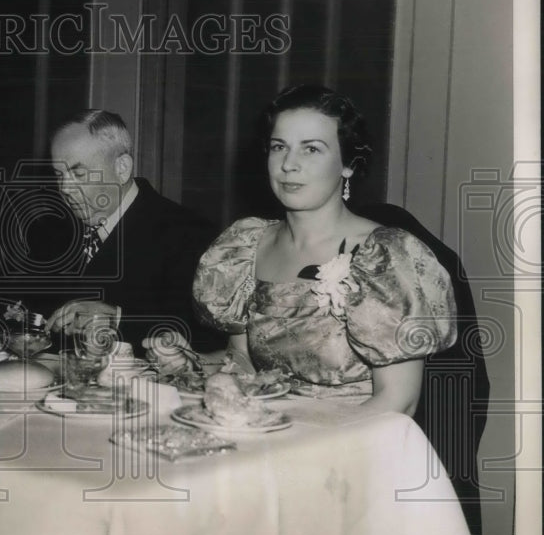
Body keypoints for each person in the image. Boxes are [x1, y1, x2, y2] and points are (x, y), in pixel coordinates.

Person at [192, 85, 456, 415]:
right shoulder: (246, 245)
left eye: (311, 149)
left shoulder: (385, 256)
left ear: (348, 165)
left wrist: (308, 447)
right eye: (279, 147)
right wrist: (191, 361)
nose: (288, 164)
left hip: (352, 444)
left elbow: (399, 401)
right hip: (269, 433)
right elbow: (243, 361)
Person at [0, 109, 219, 355]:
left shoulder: (188, 233)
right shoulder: (49, 231)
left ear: (122, 168)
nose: (65, 189)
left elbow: (207, 338)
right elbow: (20, 304)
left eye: (78, 174)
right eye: (59, 175)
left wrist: (117, 318)